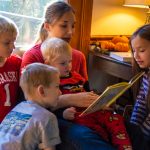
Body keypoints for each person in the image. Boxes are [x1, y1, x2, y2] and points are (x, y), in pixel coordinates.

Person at [21, 1, 115, 150]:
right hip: (54, 117)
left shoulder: (77, 56)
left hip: (84, 113)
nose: (70, 32)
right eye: (64, 25)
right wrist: (70, 99)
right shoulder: (33, 56)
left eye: (73, 26)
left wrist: (100, 102)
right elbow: (29, 105)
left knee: (125, 125)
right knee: (84, 135)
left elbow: (85, 90)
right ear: (47, 26)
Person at [41, 37, 132, 150]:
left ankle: (125, 147)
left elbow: (87, 92)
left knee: (115, 118)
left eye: (70, 61)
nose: (68, 66)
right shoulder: (50, 83)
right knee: (95, 131)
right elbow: (49, 106)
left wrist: (102, 101)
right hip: (77, 115)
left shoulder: (77, 77)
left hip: (93, 109)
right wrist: (63, 113)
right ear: (48, 64)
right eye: (63, 63)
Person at [0, 63, 61, 150]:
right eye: (57, 87)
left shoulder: (17, 108)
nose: (60, 92)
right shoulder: (48, 118)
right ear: (42, 91)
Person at [125, 24, 150, 150]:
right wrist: (132, 130)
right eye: (134, 51)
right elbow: (141, 104)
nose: (136, 56)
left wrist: (139, 138)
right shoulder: (147, 74)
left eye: (141, 50)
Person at [0, 15, 22, 122]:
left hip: (12, 123)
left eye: (14, 41)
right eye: (7, 43)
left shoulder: (16, 62)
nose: (13, 47)